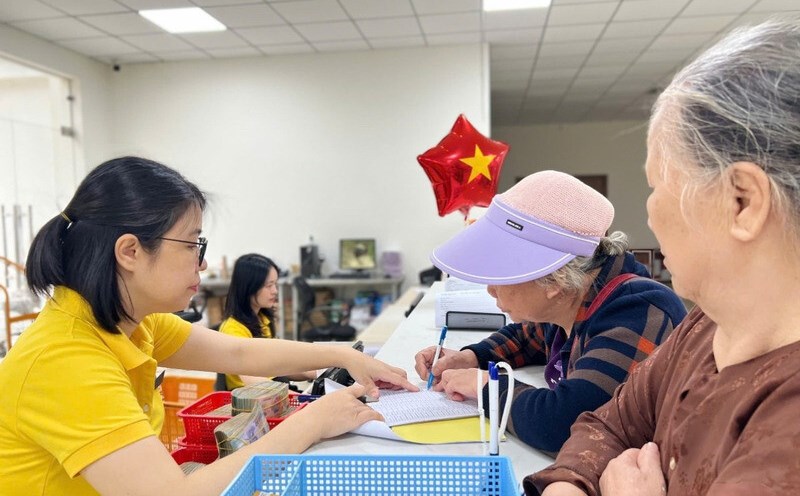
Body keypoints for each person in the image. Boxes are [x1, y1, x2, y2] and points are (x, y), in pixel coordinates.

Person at [0, 156, 417, 496]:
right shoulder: (65, 358)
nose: (201, 262)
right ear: (130, 251)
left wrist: (342, 354)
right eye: (192, 244)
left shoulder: (130, 323)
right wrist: (312, 421)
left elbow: (237, 351)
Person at [527, 19, 800, 496]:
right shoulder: (703, 329)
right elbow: (604, 427)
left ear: (742, 202)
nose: (650, 215)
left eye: (659, 186)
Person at [414, 170, 687, 453]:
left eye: (502, 276)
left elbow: (563, 423)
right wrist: (470, 357)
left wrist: (488, 386)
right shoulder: (572, 300)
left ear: (553, 281)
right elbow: (525, 338)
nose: (490, 290)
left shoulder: (637, 312)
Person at [218, 253, 314, 389]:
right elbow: (252, 380)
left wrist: (312, 372)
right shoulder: (233, 330)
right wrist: (295, 397)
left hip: (273, 391)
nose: (275, 291)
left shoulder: (262, 319)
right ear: (249, 287)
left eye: (275, 284)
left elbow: (277, 364)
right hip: (252, 400)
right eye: (269, 286)